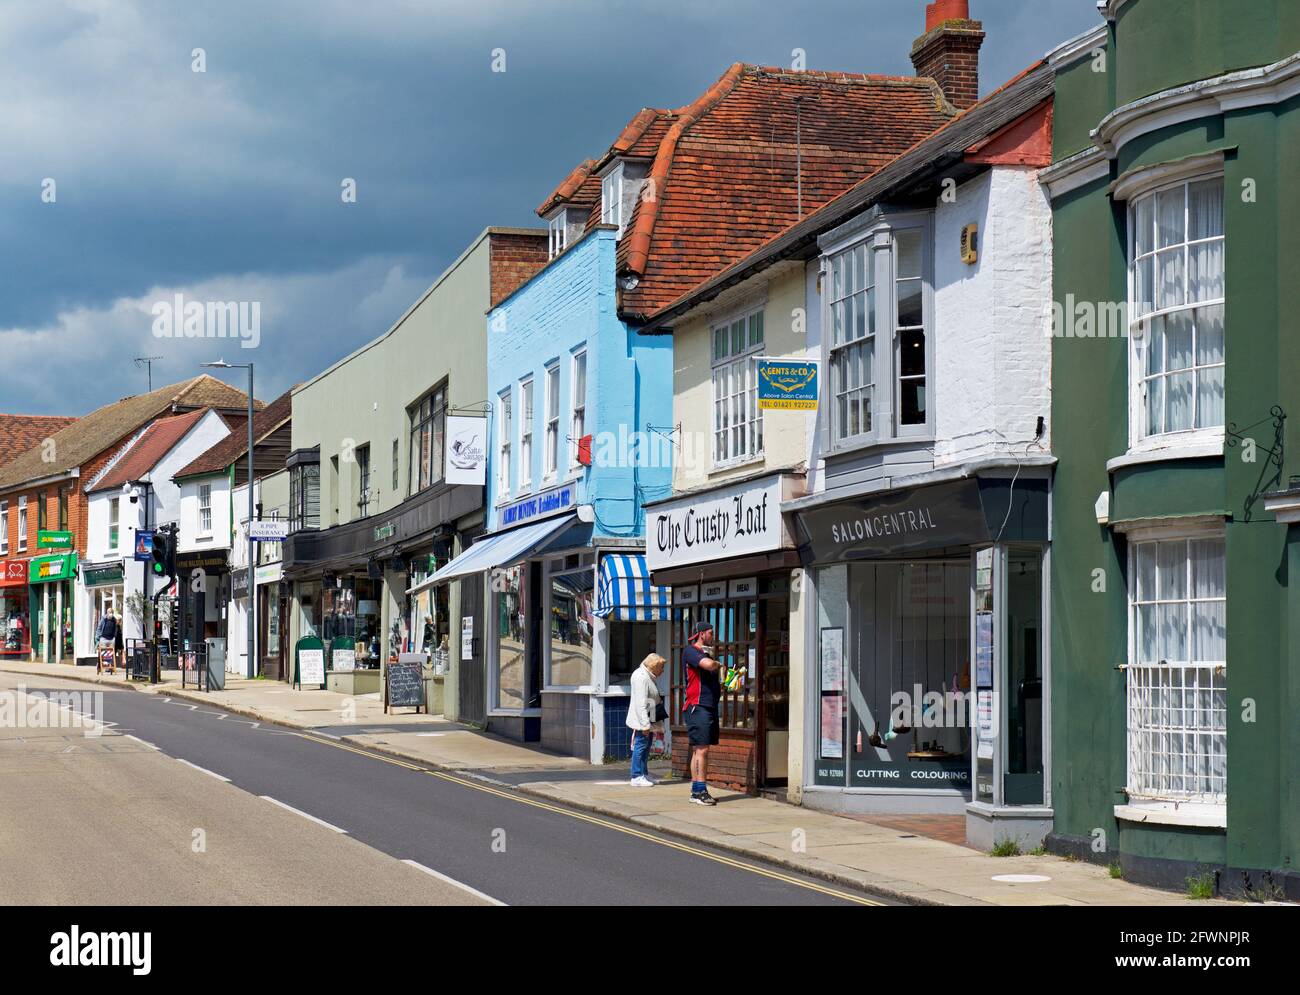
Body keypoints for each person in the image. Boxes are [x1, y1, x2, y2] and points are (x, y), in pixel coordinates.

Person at [682, 621, 722, 805]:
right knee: (702, 749)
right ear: (701, 634)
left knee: (700, 749)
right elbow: (708, 665)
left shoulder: (705, 653)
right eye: (711, 633)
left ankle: (695, 790)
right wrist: (718, 663)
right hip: (697, 706)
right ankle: (700, 791)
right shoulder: (691, 651)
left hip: (709, 706)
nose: (713, 636)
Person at [626, 653, 665, 787]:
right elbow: (640, 703)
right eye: (661, 667)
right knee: (640, 746)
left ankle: (643, 774)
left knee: (646, 746)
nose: (663, 671)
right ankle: (636, 776)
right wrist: (645, 725)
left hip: (650, 716)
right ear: (653, 666)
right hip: (644, 719)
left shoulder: (648, 676)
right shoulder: (641, 677)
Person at [95, 608, 119, 674]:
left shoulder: (114, 620)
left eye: (111, 612)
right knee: (102, 653)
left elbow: (115, 628)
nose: (110, 613)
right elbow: (99, 628)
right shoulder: (104, 619)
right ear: (107, 612)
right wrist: (97, 639)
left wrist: (114, 636)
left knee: (111, 654)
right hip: (103, 638)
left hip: (111, 639)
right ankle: (99, 666)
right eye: (109, 612)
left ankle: (110, 668)